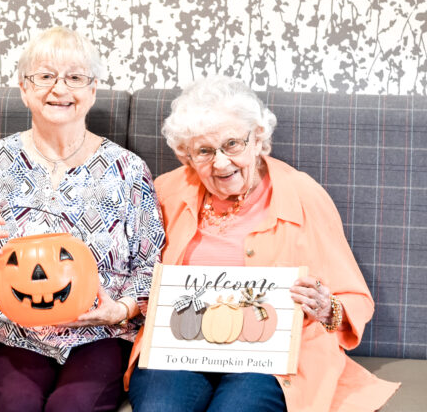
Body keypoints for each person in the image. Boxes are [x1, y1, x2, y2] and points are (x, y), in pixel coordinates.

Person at [127, 76, 400, 412]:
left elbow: (354, 298)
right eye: (204, 151)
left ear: (257, 139)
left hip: (270, 358)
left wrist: (326, 308)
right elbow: (135, 271)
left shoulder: (303, 195)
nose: (220, 163)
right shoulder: (165, 192)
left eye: (232, 144)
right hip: (179, 349)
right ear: (187, 156)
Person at [0, 26, 166, 412]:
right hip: (13, 334)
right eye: (45, 76)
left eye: (75, 77)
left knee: (73, 406)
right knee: (16, 405)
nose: (60, 89)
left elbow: (150, 265)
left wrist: (120, 310)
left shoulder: (127, 170)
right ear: (24, 88)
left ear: (93, 90)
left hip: (99, 333)